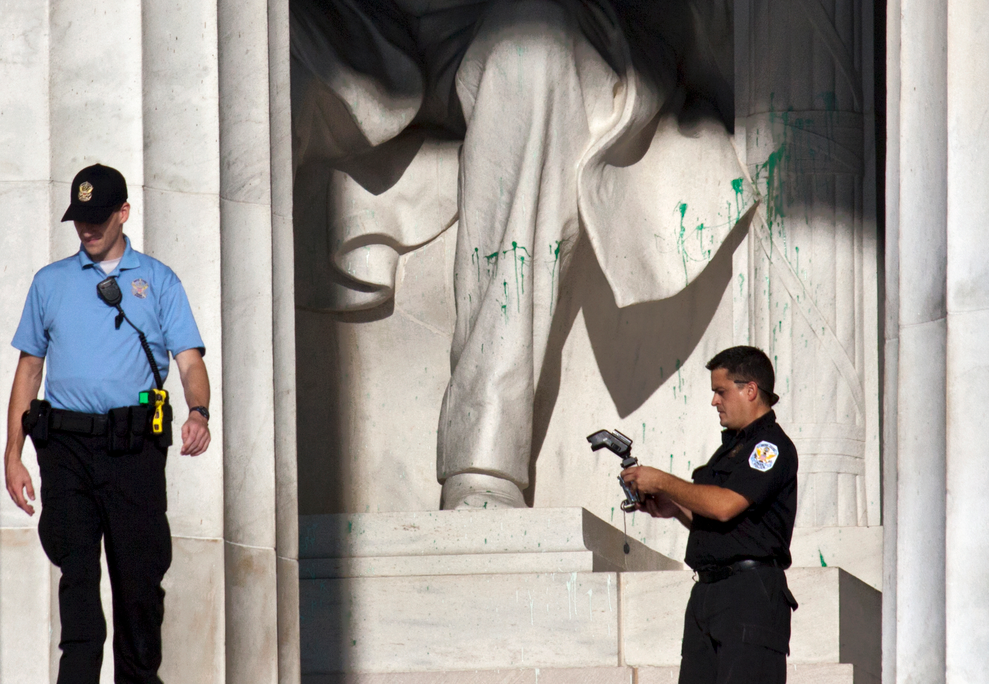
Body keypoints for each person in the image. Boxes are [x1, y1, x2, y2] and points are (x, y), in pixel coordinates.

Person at [290, 0, 753, 508]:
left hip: (543, 23)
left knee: (528, 48)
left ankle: (484, 457)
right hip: (366, 24)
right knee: (239, 44)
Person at [3, 163, 211, 684]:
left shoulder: (158, 280)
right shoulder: (49, 283)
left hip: (134, 451)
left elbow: (189, 361)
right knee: (77, 580)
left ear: (123, 213)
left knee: (140, 585)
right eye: (80, 218)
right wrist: (12, 453)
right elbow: (29, 370)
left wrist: (199, 412)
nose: (88, 228)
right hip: (66, 448)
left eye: (99, 216)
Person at [622, 345, 798, 684]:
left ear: (750, 390)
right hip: (709, 594)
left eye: (721, 391)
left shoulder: (769, 446)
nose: (714, 401)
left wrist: (662, 480)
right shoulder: (729, 449)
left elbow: (724, 505)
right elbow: (723, 521)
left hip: (749, 595)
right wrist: (673, 507)